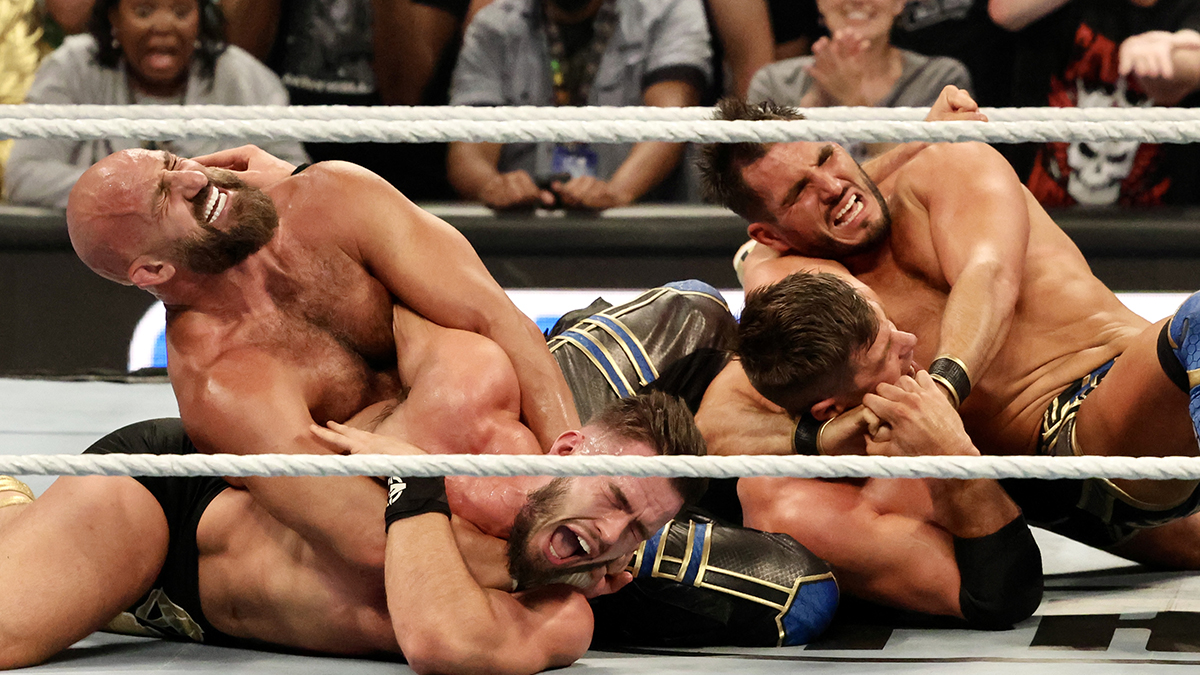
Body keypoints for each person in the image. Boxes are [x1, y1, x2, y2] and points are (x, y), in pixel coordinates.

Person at [696, 96, 1200, 600]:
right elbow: (715, 424)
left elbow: (988, 275)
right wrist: (827, 436)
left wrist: (939, 391)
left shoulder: (949, 161)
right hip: (1044, 473)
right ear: (770, 232)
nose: (831, 187)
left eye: (827, 156)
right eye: (799, 191)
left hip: (1123, 416)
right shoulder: (785, 275)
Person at [64, 146, 580, 576]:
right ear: (153, 269)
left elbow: (500, 321)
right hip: (459, 531)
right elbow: (359, 529)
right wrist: (551, 565)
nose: (196, 179)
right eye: (166, 197)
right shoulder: (221, 383)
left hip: (551, 441)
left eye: (173, 163)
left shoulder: (334, 197)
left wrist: (581, 480)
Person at [0, 378, 703, 672]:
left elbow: (443, 639)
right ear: (567, 452)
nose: (612, 533)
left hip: (179, 613)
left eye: (638, 529)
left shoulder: (563, 615)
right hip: (176, 507)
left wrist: (413, 482)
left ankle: (13, 510)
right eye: (612, 496)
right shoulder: (468, 454)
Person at [5, 0, 308, 208]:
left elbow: (296, 179)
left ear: (200, 17)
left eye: (180, 11)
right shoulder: (72, 66)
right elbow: (24, 175)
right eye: (144, 10)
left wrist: (208, 197)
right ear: (114, 16)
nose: (163, 27)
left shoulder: (246, 79)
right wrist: (140, 188)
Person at [446, 0, 711, 211]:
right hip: (526, 230)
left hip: (643, 229)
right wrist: (492, 186)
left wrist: (618, 192)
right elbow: (469, 145)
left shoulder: (669, 8)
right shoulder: (493, 25)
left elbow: (673, 114)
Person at [991, 0, 1200, 206]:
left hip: (1156, 224)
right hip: (1039, 209)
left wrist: (1160, 57)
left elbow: (1185, 67)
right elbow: (1004, 12)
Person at [747, 0, 971, 162]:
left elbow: (934, 176)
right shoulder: (773, 82)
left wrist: (855, 102)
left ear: (900, 3)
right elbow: (764, 179)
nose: (857, 1)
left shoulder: (941, 79)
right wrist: (818, 99)